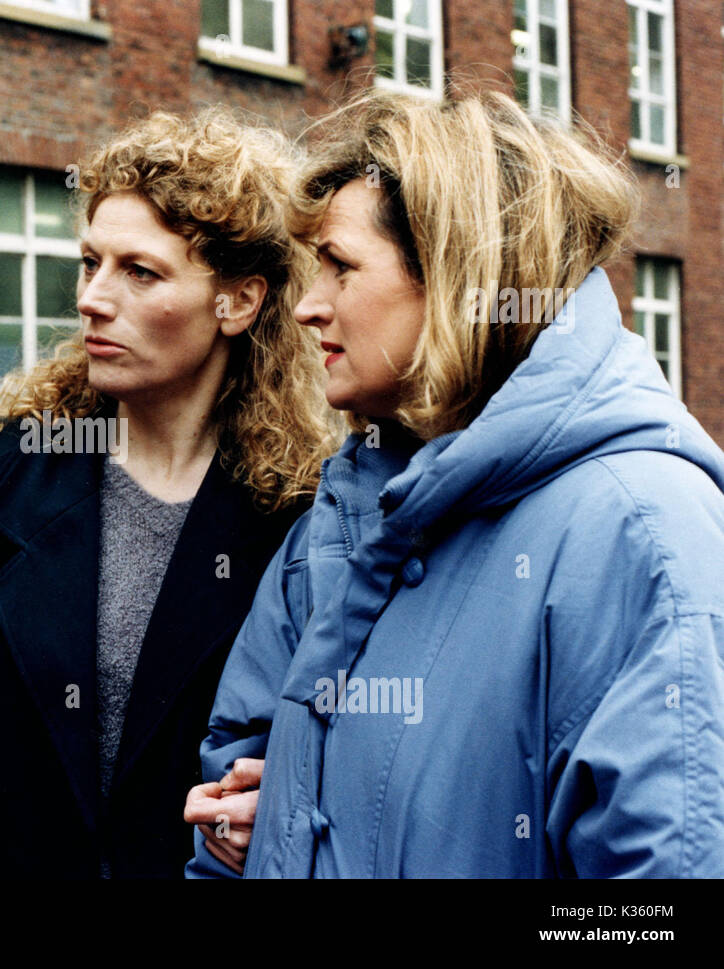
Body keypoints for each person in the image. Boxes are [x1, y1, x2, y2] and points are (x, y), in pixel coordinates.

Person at [184, 87, 724, 877]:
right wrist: (270, 835)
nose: (307, 307)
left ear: (457, 277)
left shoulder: (642, 531)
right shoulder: (342, 516)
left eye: (339, 266)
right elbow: (245, 765)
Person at [0, 110, 337, 878]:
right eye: (90, 263)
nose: (92, 298)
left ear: (239, 302)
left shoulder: (305, 517)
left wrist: (274, 810)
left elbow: (332, 763)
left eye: (139, 272)